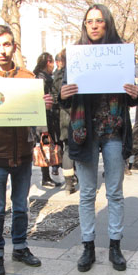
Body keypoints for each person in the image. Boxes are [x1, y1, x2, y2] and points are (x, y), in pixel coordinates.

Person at [0, 25, 52, 275]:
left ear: (14, 46)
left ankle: (20, 247)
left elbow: (36, 116)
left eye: (7, 44)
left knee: (20, 206)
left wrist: (44, 105)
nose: (2, 50)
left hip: (23, 154)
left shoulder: (28, 78)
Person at [59, 4, 138, 272]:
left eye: (99, 21)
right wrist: (63, 95)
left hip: (114, 131)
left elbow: (130, 98)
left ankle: (115, 246)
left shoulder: (120, 53)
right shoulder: (75, 56)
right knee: (86, 194)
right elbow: (64, 99)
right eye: (89, 21)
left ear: (107, 24)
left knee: (115, 192)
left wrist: (134, 94)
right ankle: (88, 246)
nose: (93, 25)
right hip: (85, 133)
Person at [33, 52, 62, 188]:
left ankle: (47, 175)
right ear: (48, 63)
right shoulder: (42, 79)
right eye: (52, 63)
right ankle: (45, 177)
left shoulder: (42, 77)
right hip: (44, 119)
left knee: (47, 145)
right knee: (45, 146)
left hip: (46, 118)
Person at [53, 49, 77, 194]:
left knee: (68, 149)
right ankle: (71, 181)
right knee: (71, 149)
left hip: (63, 117)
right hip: (73, 115)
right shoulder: (73, 74)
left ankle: (69, 184)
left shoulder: (57, 75)